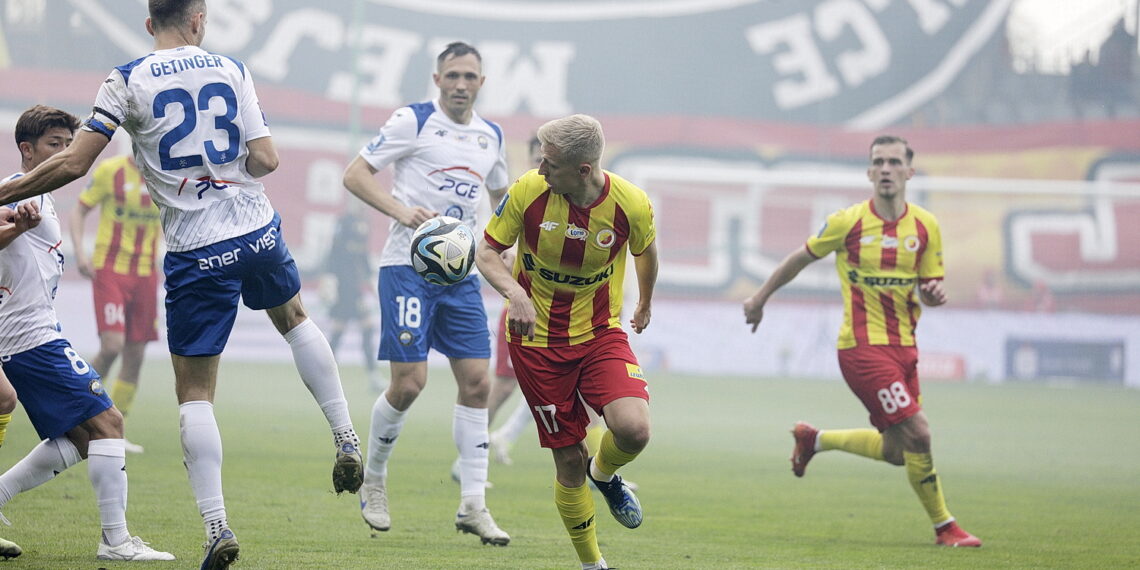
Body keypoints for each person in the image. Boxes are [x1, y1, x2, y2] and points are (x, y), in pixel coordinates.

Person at [0, 3, 364, 568]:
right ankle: (345, 437)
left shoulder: (125, 79)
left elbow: (73, 166)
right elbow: (266, 158)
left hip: (197, 251)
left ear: (151, 24)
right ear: (198, 18)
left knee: (195, 394)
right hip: (257, 230)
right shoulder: (232, 68)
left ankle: (217, 526)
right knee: (295, 320)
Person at [742, 135, 982, 548]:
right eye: (879, 162)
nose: (886, 169)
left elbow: (928, 288)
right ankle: (946, 527)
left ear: (909, 171)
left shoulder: (926, 226)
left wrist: (933, 296)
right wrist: (759, 298)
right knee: (920, 435)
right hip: (862, 350)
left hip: (905, 349)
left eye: (894, 162)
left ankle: (813, 440)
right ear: (870, 173)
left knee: (896, 451)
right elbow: (799, 258)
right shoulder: (848, 222)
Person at [342, 40, 510, 545]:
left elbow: (503, 199)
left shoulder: (491, 136)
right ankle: (373, 479)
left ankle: (474, 505)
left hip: (461, 275)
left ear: (482, 83)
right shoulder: (412, 121)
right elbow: (355, 176)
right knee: (410, 383)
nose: (461, 84)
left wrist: (503, 254)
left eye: (470, 77)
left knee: (478, 383)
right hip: (406, 268)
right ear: (437, 80)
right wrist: (400, 211)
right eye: (452, 75)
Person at [475, 114, 659, 570]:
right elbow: (487, 252)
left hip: (600, 334)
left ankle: (606, 474)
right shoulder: (527, 192)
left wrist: (645, 304)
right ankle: (592, 564)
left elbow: (646, 252)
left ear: (583, 169)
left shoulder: (630, 203)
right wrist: (515, 293)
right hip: (537, 345)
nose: (540, 169)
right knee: (568, 459)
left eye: (550, 164)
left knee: (634, 430)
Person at [0, 105, 173, 561]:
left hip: (33, 332)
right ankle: (115, 541)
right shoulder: (15, 193)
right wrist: (14, 230)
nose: (64, 154)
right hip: (28, 338)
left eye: (67, 145)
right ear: (27, 149)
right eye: (54, 146)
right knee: (109, 423)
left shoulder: (42, 195)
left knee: (81, 441)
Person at [68, 154, 161, 454]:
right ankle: (76, 412)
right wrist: (81, 255)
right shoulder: (111, 171)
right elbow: (79, 211)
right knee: (111, 346)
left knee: (135, 355)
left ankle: (116, 431)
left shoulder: (166, 173)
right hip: (110, 268)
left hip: (147, 272)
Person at [323, 205, 383, 393]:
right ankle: (324, 374)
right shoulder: (344, 223)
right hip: (345, 288)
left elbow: (363, 257)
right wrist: (330, 278)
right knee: (352, 329)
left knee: (350, 330)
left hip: (355, 287)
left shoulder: (364, 224)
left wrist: (370, 279)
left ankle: (324, 374)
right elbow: (334, 253)